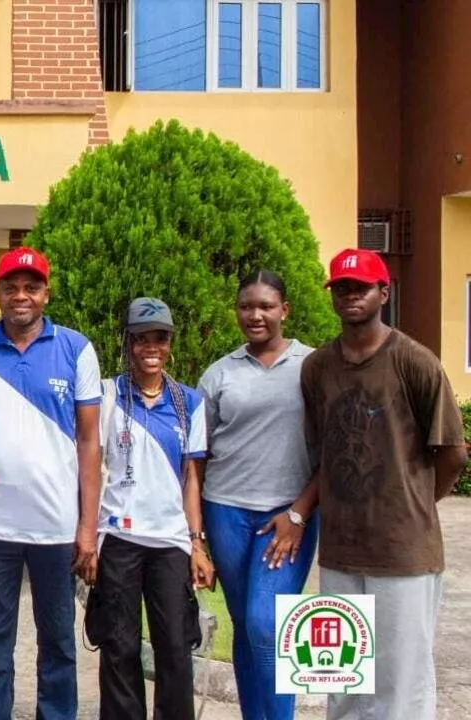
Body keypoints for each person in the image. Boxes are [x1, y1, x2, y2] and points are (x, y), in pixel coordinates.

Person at [301, 249, 465, 720]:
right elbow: (323, 449)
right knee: (339, 676)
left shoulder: (415, 361)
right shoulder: (316, 369)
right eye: (342, 288)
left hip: (403, 553)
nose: (351, 296)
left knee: (401, 683)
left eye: (361, 287)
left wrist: (412, 504)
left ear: (383, 292)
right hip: (339, 550)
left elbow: (453, 453)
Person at [0, 247, 102, 720]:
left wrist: (87, 527)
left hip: (56, 526)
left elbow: (89, 442)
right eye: (11, 287)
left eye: (31, 286)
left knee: (58, 641)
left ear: (46, 292)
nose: (21, 296)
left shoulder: (75, 349)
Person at [197, 270, 318, 720]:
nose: (255, 315)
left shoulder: (313, 366)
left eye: (266, 306)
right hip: (225, 511)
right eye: (246, 306)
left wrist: (300, 514)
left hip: (288, 516)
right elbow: (199, 456)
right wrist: (197, 533)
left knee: (268, 625)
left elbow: (332, 451)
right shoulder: (220, 373)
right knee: (246, 627)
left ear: (285, 310)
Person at [87, 297, 214, 720]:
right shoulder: (106, 395)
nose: (150, 347)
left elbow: (191, 478)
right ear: (128, 343)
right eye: (141, 339)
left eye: (159, 337)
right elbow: (87, 462)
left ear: (170, 342)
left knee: (175, 646)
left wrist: (197, 544)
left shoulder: (190, 403)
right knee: (119, 644)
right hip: (118, 538)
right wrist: (86, 536)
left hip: (170, 543)